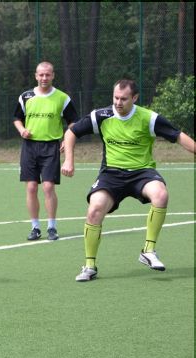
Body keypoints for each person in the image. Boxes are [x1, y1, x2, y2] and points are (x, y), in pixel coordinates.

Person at [61, 79, 196, 282]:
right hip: (111, 174)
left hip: (142, 172)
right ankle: (89, 266)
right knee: (94, 209)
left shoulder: (148, 118)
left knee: (160, 194)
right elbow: (71, 132)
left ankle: (148, 251)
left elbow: (178, 136)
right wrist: (69, 160)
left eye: (123, 99)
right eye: (115, 97)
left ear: (135, 98)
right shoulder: (101, 116)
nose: (118, 102)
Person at [13, 61, 78, 241]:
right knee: (31, 187)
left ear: (53, 76)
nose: (44, 78)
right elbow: (17, 118)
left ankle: (52, 227)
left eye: (47, 74)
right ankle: (35, 227)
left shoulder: (62, 98)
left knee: (48, 187)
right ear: (36, 76)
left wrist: (66, 139)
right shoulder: (25, 97)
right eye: (41, 75)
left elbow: (73, 122)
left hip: (51, 147)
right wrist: (22, 130)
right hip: (29, 147)